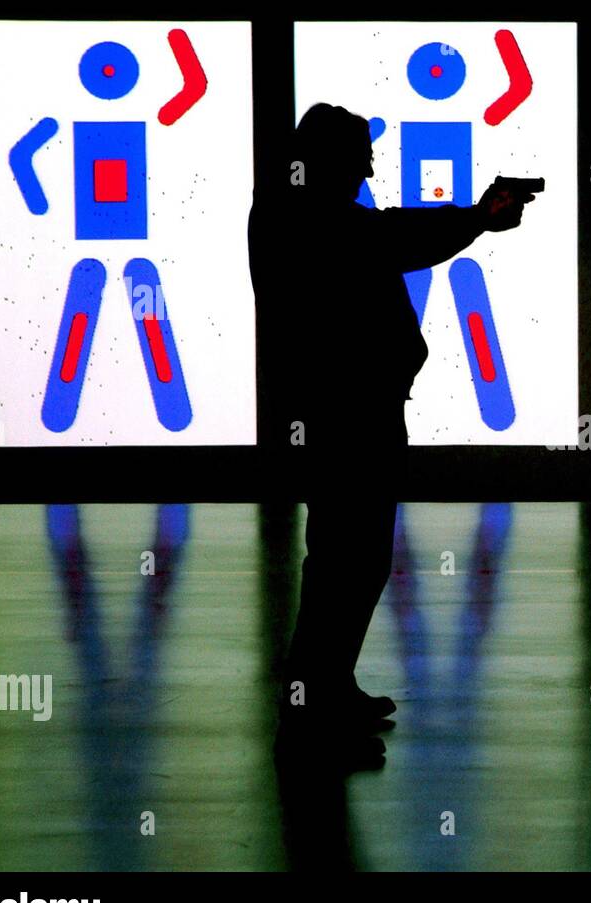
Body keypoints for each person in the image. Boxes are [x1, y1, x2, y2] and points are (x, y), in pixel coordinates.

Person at [250, 103, 533, 765]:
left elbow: (388, 235)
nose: (370, 167)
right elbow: (394, 238)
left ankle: (326, 691)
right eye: (360, 157)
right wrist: (478, 217)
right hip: (348, 415)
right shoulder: (310, 216)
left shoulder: (294, 208)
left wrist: (474, 217)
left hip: (350, 410)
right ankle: (310, 720)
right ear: (327, 160)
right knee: (348, 561)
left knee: (347, 561)